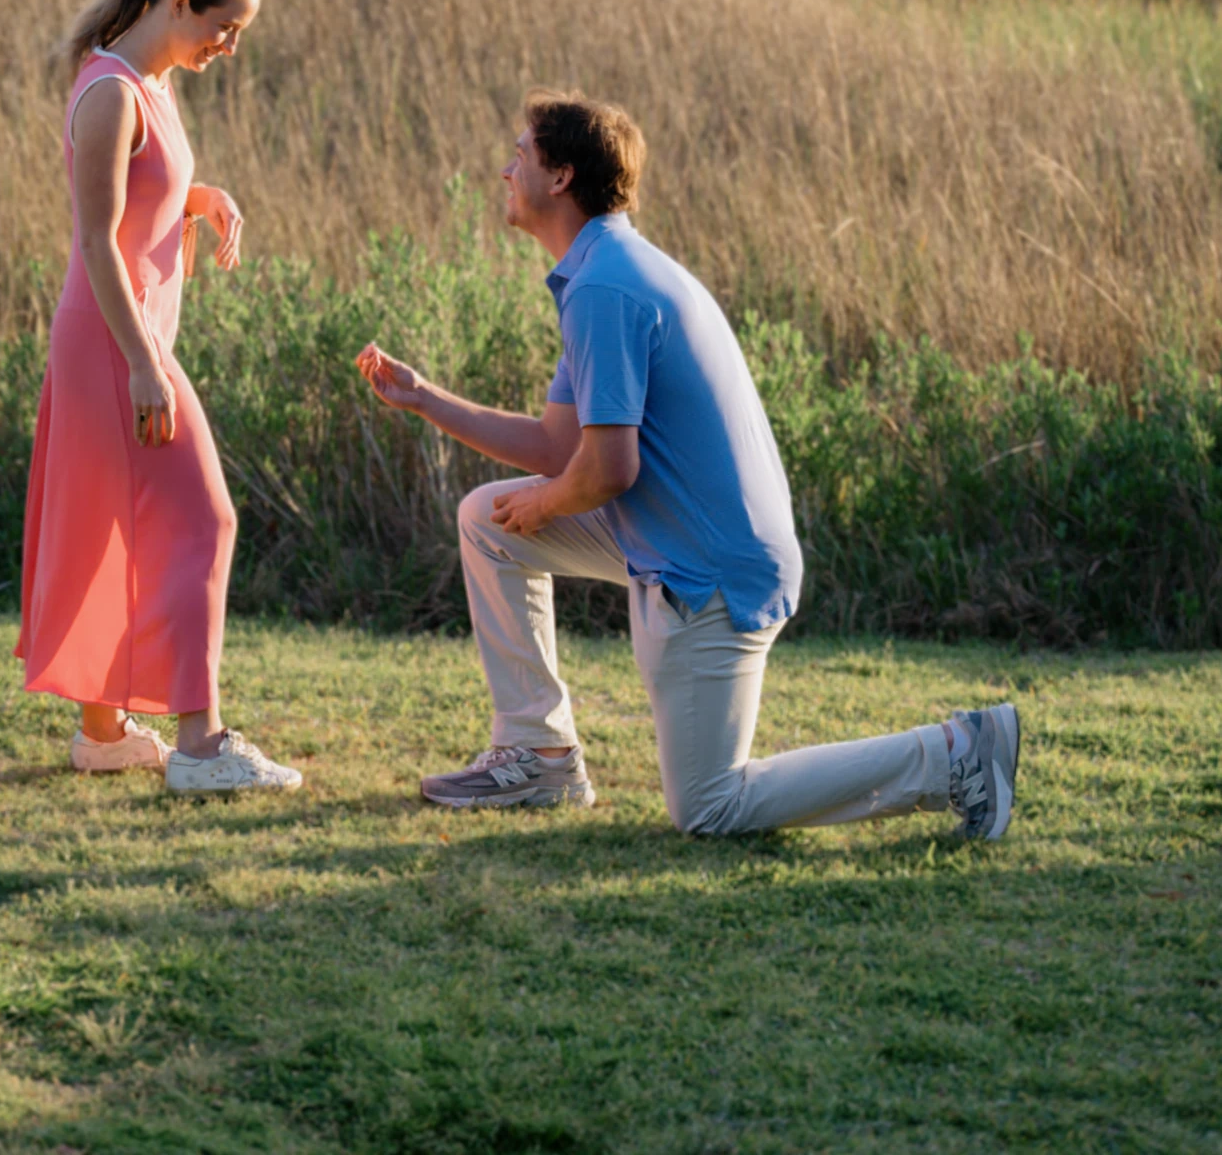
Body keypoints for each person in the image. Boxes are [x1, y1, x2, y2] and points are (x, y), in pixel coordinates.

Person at [356, 90, 1019, 839]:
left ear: (563, 176)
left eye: (520, 156)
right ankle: (537, 753)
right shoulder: (603, 269)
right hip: (678, 541)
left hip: (711, 570)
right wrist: (425, 399)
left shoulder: (606, 287)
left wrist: (545, 505)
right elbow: (555, 449)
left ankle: (959, 754)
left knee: (708, 806)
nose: (504, 170)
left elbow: (606, 471)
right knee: (488, 518)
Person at [17, 0, 300, 796]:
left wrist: (196, 198)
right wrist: (144, 364)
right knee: (206, 520)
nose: (231, 46)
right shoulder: (109, 92)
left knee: (112, 522)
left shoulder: (149, 82)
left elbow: (141, 197)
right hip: (116, 343)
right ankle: (202, 747)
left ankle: (103, 733)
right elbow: (96, 242)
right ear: (178, 4)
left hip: (127, 341)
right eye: (224, 27)